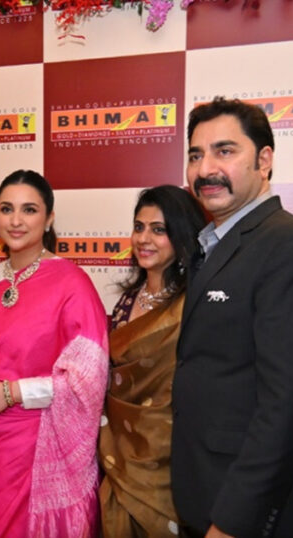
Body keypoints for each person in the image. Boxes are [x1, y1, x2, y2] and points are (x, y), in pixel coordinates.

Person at [171, 97, 293, 538]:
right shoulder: (211, 244)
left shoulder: (291, 245)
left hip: (242, 510)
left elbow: (283, 406)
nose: (205, 169)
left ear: (264, 161)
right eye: (196, 155)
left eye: (224, 151)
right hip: (202, 490)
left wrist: (233, 523)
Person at [0, 170, 109, 537]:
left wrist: (9, 394)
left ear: (49, 218)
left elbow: (86, 379)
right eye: (6, 209)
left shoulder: (72, 283)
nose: (16, 220)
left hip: (40, 438)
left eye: (29, 210)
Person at [99, 185, 205, 537]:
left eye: (159, 230)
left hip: (171, 461)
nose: (144, 239)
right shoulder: (126, 302)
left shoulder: (193, 305)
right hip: (118, 453)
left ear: (181, 236)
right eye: (139, 227)